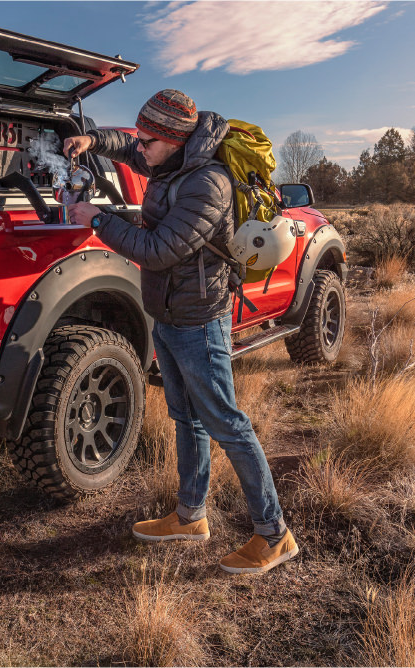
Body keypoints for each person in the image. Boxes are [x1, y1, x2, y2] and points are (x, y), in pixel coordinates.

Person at [63, 89, 299, 575]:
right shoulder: (167, 160)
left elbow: (158, 249)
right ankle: (191, 517)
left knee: (227, 423)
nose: (139, 148)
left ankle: (274, 533)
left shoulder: (206, 183)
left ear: (172, 140)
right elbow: (128, 145)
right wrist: (91, 140)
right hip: (168, 314)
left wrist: (98, 220)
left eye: (148, 140)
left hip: (199, 319)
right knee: (186, 418)